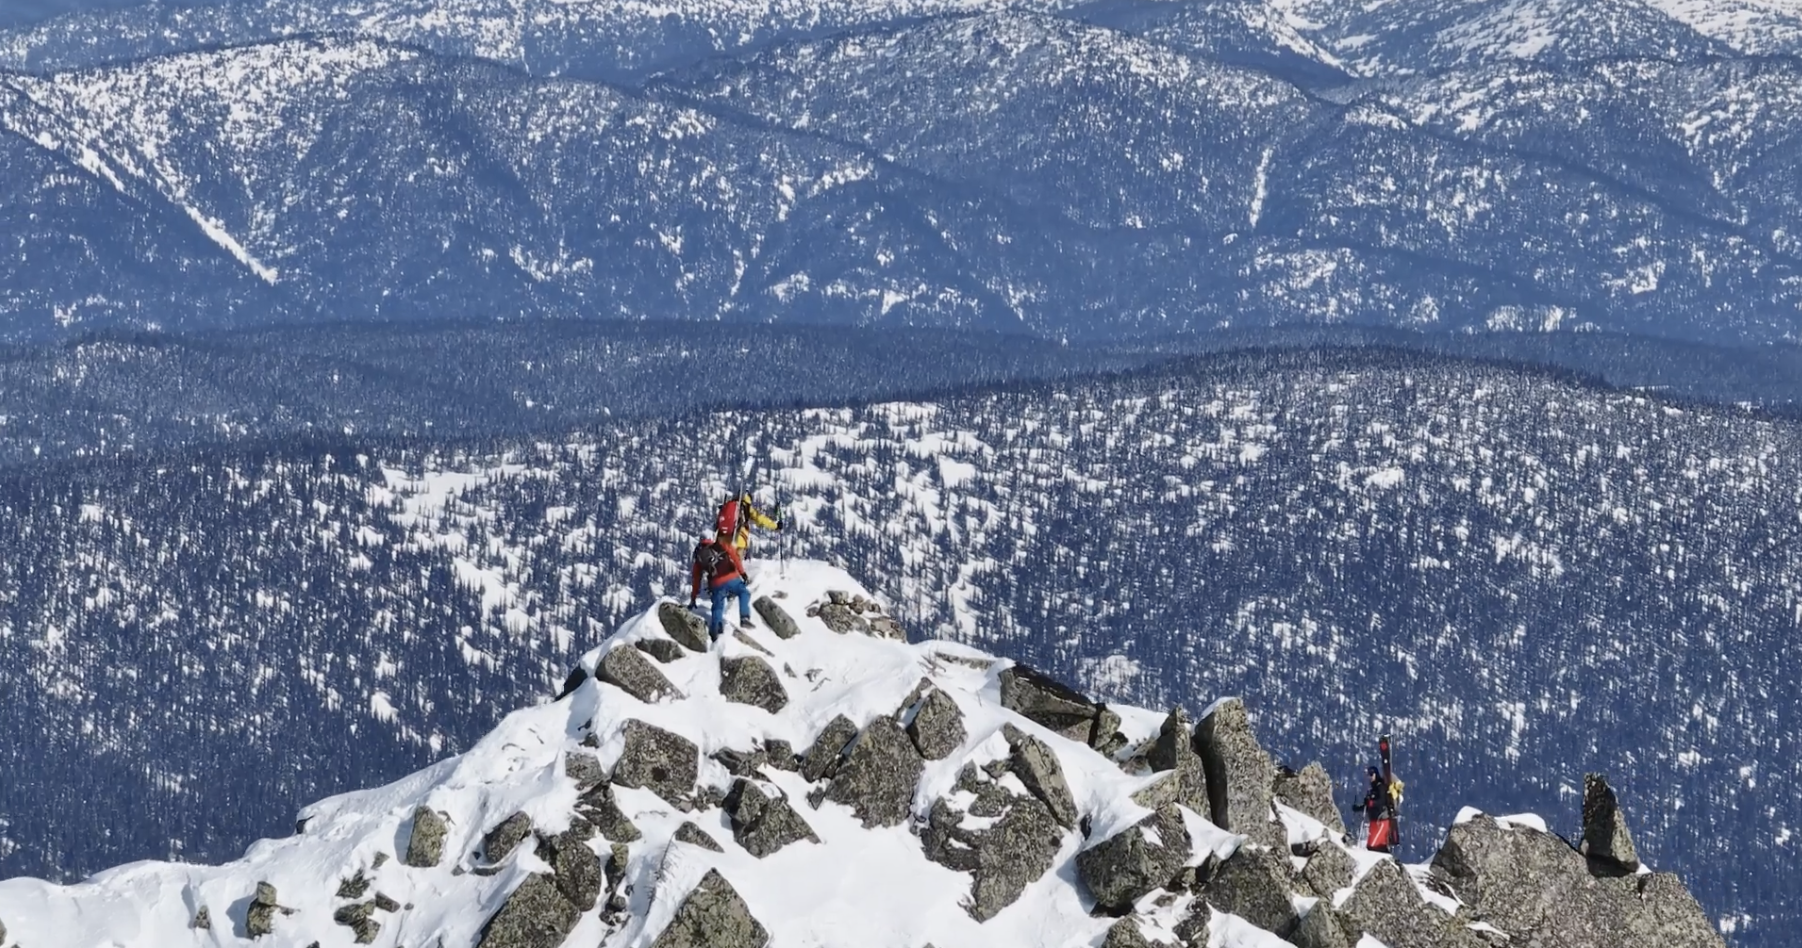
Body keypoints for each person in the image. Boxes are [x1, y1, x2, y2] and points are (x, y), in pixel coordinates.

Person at [690, 536, 752, 642]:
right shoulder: (720, 544)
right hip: (731, 577)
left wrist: (693, 598)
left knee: (718, 606)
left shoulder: (699, 558)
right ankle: (744, 617)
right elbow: (734, 556)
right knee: (744, 592)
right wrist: (742, 573)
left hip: (716, 584)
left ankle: (716, 631)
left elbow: (696, 579)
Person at [715, 490, 784, 554]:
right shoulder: (746, 507)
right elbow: (760, 519)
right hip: (739, 539)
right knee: (735, 563)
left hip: (722, 539)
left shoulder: (727, 506)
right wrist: (775, 526)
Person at [1355, 764, 1399, 853]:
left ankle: (1386, 861)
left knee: (1374, 845)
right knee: (1374, 845)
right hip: (1375, 821)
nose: (1370, 777)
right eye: (1369, 775)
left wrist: (1371, 803)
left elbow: (1381, 801)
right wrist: (1358, 808)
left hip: (1381, 820)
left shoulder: (1380, 787)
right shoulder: (1373, 789)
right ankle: (1386, 861)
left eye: (1372, 774)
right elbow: (1369, 806)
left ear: (1376, 774)